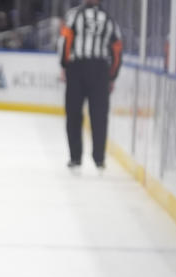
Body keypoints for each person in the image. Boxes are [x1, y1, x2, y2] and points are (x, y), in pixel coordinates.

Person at [59, 0, 122, 170]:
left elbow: (66, 41)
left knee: (79, 114)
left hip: (79, 68)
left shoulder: (74, 15)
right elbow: (117, 49)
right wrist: (112, 75)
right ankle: (94, 158)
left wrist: (64, 65)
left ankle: (82, 158)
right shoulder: (109, 19)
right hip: (98, 71)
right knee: (95, 115)